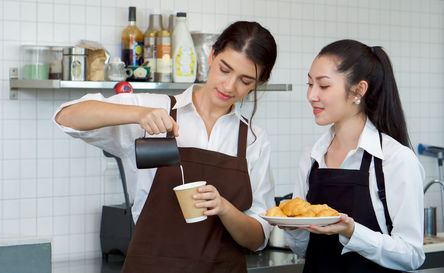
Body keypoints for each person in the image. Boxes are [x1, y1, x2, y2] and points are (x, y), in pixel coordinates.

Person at [54, 21, 277, 273]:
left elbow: (258, 238)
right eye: (225, 70)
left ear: (258, 83)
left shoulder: (254, 139)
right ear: (212, 56)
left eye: (245, 81)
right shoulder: (154, 107)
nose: (229, 86)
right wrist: (138, 114)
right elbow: (66, 118)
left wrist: (225, 208)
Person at [283, 39, 425, 272]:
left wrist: (352, 232)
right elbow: (306, 250)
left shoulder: (396, 159)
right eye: (310, 84)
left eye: (324, 86)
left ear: (358, 90)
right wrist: (292, 227)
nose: (311, 95)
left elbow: (412, 255)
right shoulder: (311, 156)